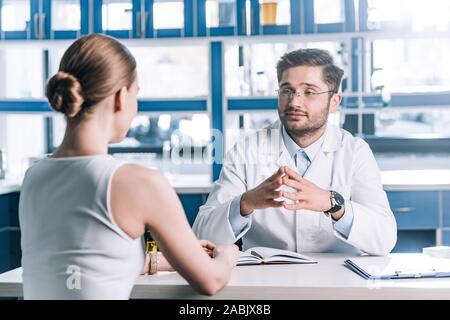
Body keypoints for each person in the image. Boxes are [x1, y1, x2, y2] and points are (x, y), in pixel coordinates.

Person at [18, 34, 239, 300]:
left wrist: (162, 259)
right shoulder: (137, 182)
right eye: (137, 93)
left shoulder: (34, 176)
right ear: (121, 97)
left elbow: (82, 263)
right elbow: (210, 280)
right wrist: (227, 256)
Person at [193, 48, 397, 256]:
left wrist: (332, 204)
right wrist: (245, 203)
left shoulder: (354, 152)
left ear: (334, 101)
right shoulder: (248, 150)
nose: (294, 102)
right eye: (287, 91)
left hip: (339, 280)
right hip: (265, 280)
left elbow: (384, 239)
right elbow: (202, 236)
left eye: (309, 92)